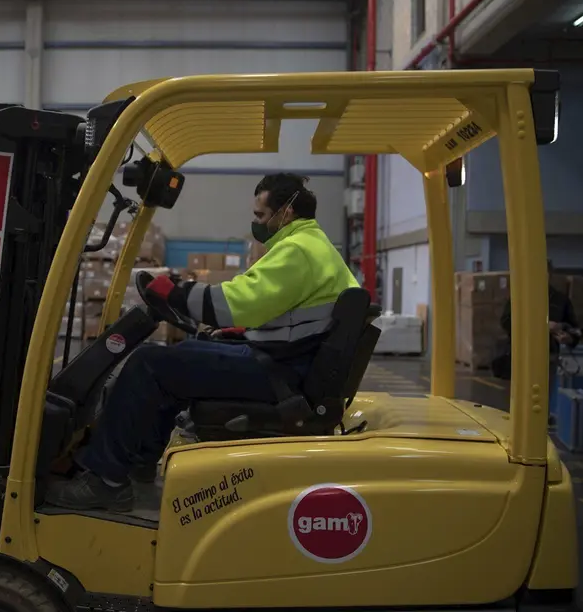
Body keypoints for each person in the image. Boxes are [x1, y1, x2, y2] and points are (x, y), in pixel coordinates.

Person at [46, 173, 359, 511]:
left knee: (148, 363)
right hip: (289, 361)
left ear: (286, 212)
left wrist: (177, 292)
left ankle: (104, 480)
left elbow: (239, 302)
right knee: (181, 355)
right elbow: (286, 312)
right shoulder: (314, 245)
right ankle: (140, 463)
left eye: (260, 216)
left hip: (281, 374)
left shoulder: (299, 249)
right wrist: (240, 332)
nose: (256, 223)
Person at [491, 261, 582, 380]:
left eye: (545, 273)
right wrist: (541, 326)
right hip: (522, 358)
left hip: (549, 359)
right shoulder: (520, 297)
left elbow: (575, 329)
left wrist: (569, 337)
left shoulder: (560, 300)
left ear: (550, 274)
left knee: (546, 395)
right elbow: (506, 321)